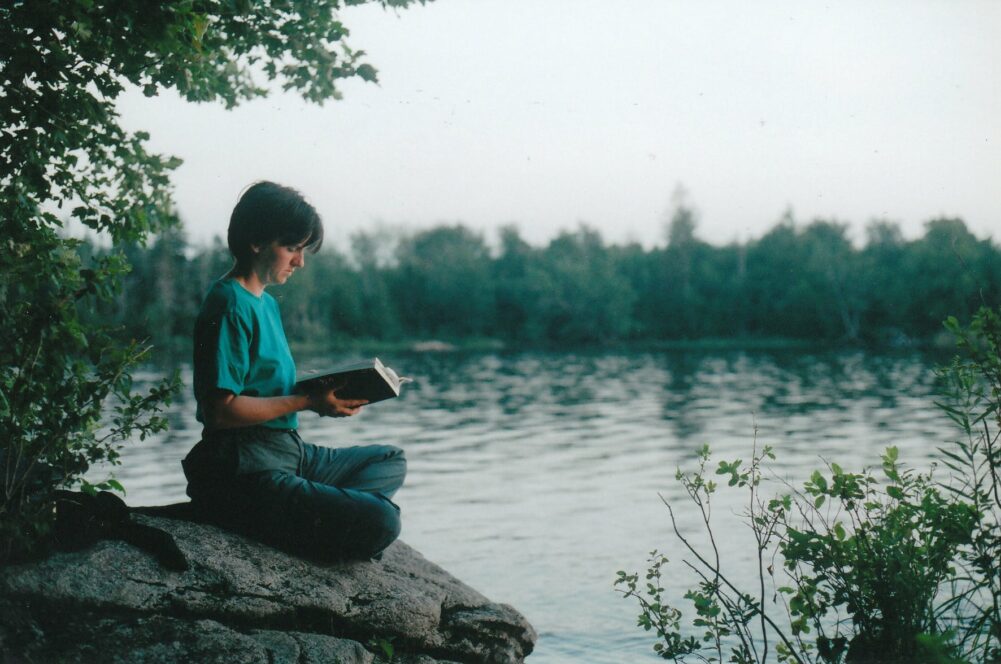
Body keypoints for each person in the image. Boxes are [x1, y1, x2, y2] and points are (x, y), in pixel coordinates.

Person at [182, 181, 406, 561]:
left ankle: (304, 519)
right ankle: (302, 524)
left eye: (302, 250)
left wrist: (323, 392)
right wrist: (306, 400)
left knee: (389, 460)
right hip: (247, 466)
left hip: (289, 453)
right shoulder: (228, 304)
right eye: (292, 248)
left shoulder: (265, 303)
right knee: (382, 519)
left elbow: (263, 383)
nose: (300, 261)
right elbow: (221, 411)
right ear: (256, 241)